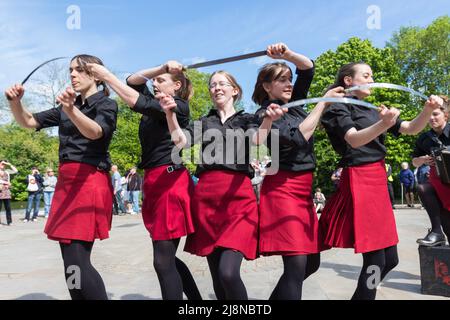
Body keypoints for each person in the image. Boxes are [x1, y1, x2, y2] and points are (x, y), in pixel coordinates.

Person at [319, 61, 444, 300]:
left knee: (391, 259)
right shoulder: (339, 108)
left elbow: (410, 128)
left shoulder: (373, 109)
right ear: (348, 81)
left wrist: (427, 109)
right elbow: (354, 140)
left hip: (377, 178)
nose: (372, 79)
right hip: (360, 178)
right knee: (376, 259)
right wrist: (383, 123)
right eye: (366, 75)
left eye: (372, 75)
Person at [162, 69, 286, 300]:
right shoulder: (204, 121)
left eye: (222, 84)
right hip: (207, 200)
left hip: (238, 198)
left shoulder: (247, 119)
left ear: (235, 90)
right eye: (212, 85)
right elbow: (180, 141)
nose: (216, 88)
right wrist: (170, 115)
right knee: (217, 276)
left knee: (228, 273)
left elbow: (258, 139)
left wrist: (268, 119)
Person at [5, 54, 118, 300]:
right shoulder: (67, 106)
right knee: (70, 264)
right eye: (71, 70)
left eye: (79, 70)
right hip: (66, 183)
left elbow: (96, 132)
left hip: (89, 181)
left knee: (78, 259)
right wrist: (15, 102)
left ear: (96, 74)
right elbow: (29, 121)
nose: (73, 75)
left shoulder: (106, 105)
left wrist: (70, 109)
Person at [87, 60, 202, 300]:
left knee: (162, 262)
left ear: (177, 85)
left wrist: (107, 76)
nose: (155, 83)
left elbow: (133, 99)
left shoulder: (178, 106)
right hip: (153, 181)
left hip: (171, 181)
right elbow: (133, 81)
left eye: (161, 81)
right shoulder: (156, 101)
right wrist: (161, 68)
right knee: (166, 259)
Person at [253, 43, 345, 300]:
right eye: (281, 80)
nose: (289, 83)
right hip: (282, 189)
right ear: (267, 87)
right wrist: (323, 104)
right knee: (296, 265)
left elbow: (308, 68)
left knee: (311, 263)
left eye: (289, 79)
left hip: (304, 191)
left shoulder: (296, 103)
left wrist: (287, 55)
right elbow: (298, 137)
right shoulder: (265, 114)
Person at [412, 95, 450, 247]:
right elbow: (414, 162)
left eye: (435, 114)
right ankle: (437, 231)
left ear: (446, 115)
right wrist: (421, 160)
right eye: (429, 115)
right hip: (441, 185)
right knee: (423, 188)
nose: (431, 118)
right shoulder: (424, 138)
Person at [0, 160, 18, 226]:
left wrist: (9, 164)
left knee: (8, 207)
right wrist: (6, 183)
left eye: (4, 164)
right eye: (2, 164)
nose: (3, 165)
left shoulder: (7, 171)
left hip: (6, 191)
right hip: (0, 190)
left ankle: (9, 222)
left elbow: (16, 171)